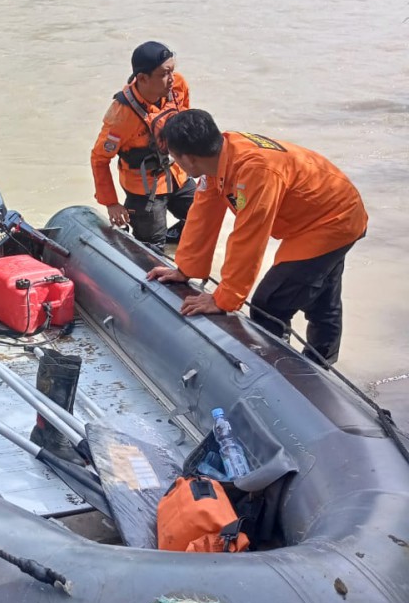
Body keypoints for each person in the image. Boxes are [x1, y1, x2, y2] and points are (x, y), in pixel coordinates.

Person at [147, 109, 368, 365]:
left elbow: (249, 238)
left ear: (189, 159)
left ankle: (282, 369)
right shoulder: (219, 158)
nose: (176, 163)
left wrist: (223, 298)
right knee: (320, 294)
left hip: (332, 221)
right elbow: (203, 214)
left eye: (175, 158)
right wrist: (186, 269)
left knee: (269, 303)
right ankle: (322, 363)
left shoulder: (255, 171)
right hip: (318, 214)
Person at [90, 41, 196, 248]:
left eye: (173, 71)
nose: (172, 79)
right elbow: (99, 159)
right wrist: (111, 203)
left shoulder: (177, 86)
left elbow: (185, 122)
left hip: (177, 175)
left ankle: (174, 239)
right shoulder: (121, 115)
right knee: (152, 245)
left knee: (204, 214)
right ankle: (155, 240)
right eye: (165, 73)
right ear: (142, 78)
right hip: (145, 189)